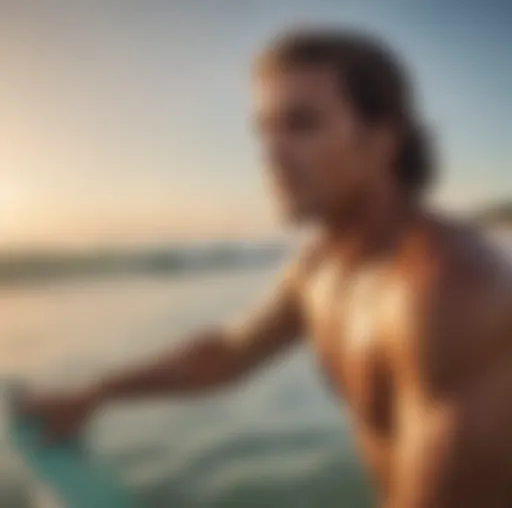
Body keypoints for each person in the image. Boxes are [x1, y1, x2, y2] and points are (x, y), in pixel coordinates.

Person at [23, 28, 512, 507]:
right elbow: (225, 355)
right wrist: (95, 394)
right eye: (266, 131)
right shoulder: (322, 267)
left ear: (382, 141)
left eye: (301, 125)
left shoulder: (449, 292)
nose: (271, 155)